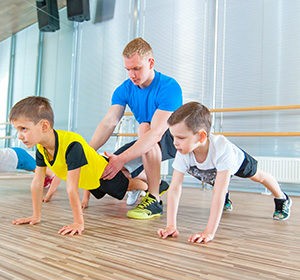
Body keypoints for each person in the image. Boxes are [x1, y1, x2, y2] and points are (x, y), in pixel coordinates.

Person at [9, 96, 147, 235]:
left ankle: (154, 187)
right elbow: (37, 182)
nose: (19, 136)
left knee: (130, 185)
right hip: (89, 180)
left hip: (104, 174)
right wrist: (36, 215)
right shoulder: (41, 148)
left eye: (23, 129)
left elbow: (71, 187)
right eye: (17, 129)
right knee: (123, 186)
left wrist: (78, 222)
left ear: (44, 126)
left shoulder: (72, 145)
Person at [158, 102, 292, 244]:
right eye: (173, 137)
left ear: (201, 137)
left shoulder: (222, 150)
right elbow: (174, 188)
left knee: (259, 176)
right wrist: (171, 225)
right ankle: (227, 198)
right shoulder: (183, 151)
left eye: (181, 138)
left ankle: (282, 198)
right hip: (211, 172)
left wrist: (209, 232)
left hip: (237, 163)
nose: (175, 143)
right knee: (215, 181)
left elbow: (218, 192)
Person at [87, 37, 183, 219]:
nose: (132, 75)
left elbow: (156, 134)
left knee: (145, 129)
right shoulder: (124, 89)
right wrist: (88, 151)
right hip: (149, 136)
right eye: (128, 69)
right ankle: (154, 184)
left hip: (174, 138)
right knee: (110, 175)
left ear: (151, 62)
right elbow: (110, 121)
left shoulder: (169, 87)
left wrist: (121, 158)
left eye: (137, 68)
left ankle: (154, 199)